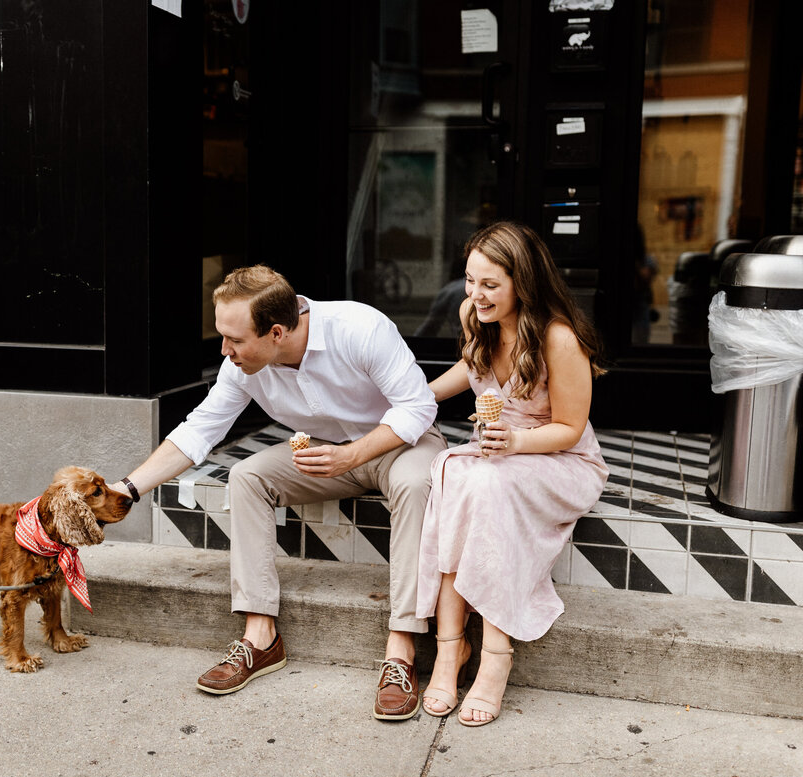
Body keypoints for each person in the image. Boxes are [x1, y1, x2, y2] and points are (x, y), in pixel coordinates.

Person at [112, 265, 445, 720]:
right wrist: (127, 489)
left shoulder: (360, 328)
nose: (224, 352)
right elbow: (199, 431)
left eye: (234, 341)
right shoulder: (242, 365)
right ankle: (260, 637)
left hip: (399, 444)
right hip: (327, 454)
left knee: (414, 483)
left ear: (275, 332)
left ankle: (401, 650)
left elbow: (418, 407)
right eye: (222, 338)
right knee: (246, 476)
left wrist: (354, 455)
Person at [417, 221, 608, 727]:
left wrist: (517, 442)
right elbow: (472, 368)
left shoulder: (560, 338)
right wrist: (417, 398)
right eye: (469, 280)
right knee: (459, 477)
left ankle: (496, 653)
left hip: (559, 461)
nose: (475, 295)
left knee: (486, 481)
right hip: (500, 458)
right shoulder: (474, 315)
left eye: (490, 285)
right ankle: (450, 646)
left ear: (523, 283)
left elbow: (570, 428)